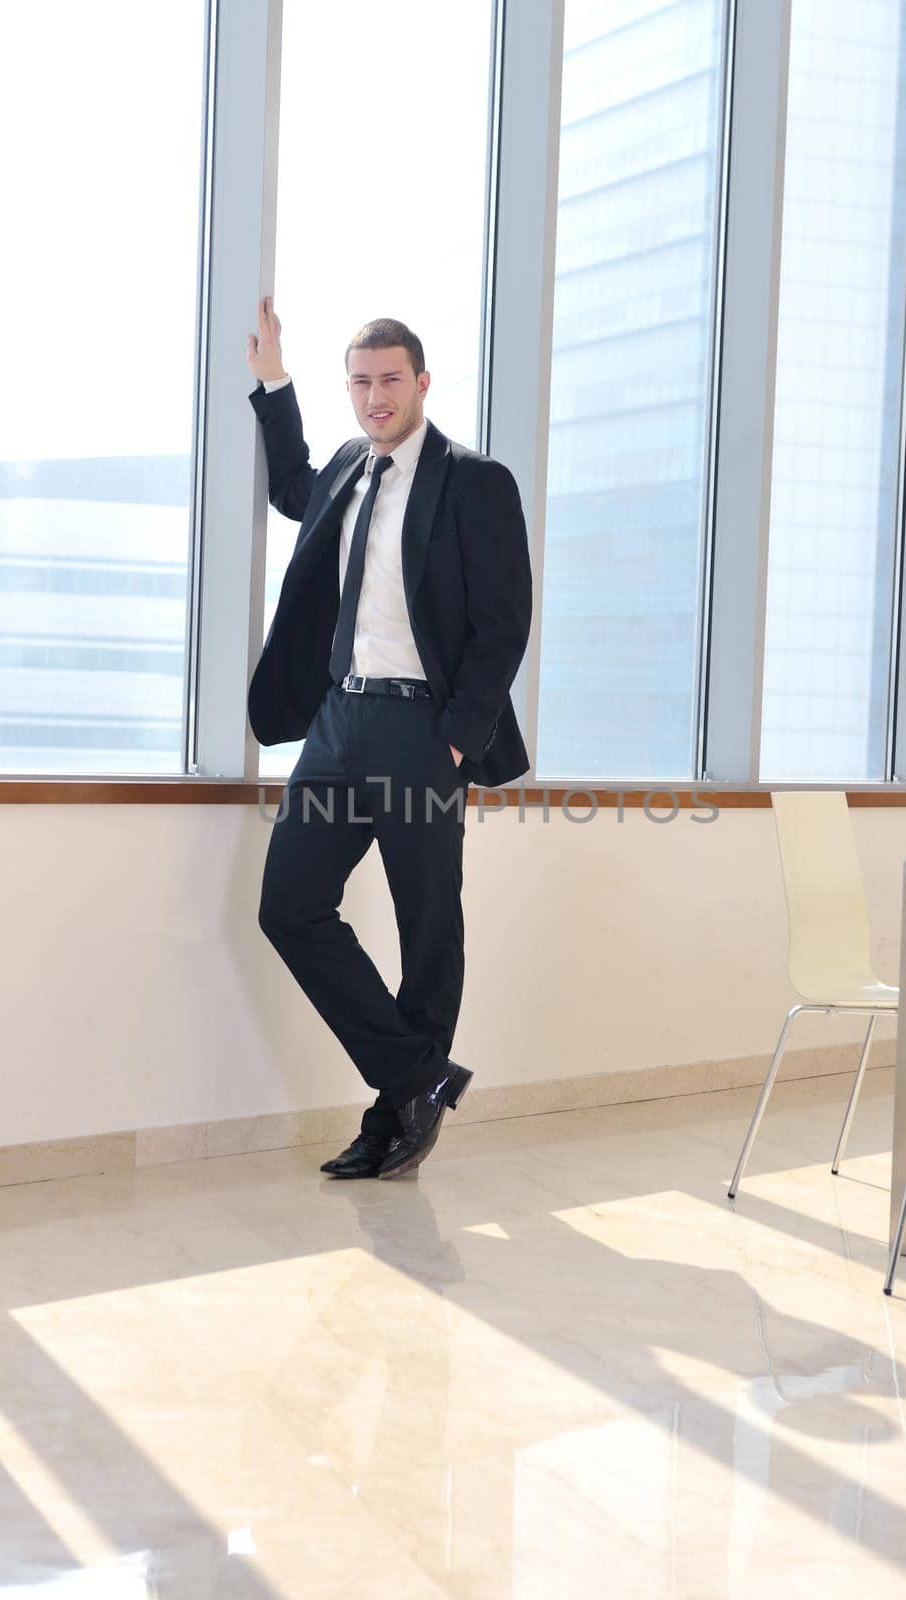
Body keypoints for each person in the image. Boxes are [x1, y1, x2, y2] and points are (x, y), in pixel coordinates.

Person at [245, 299, 532, 1180]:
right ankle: (416, 1079)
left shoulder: (475, 481)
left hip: (420, 728)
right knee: (288, 906)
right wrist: (273, 384)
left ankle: (395, 1118)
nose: (375, 397)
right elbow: (290, 487)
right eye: (361, 382)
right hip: (338, 722)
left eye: (390, 380)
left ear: (421, 383)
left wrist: (454, 740)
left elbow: (502, 622)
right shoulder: (343, 469)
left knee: (427, 925)